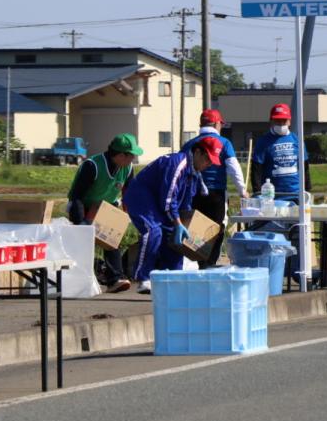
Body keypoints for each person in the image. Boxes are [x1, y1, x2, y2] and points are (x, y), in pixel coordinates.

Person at [122, 136, 221, 293]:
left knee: (175, 238)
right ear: (197, 152)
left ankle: (173, 278)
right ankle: (143, 277)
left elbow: (185, 203)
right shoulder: (177, 164)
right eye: (207, 159)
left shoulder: (194, 174)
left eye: (211, 162)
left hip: (160, 203)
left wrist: (182, 224)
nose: (208, 164)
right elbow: (168, 200)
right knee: (152, 231)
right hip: (141, 196)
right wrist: (177, 222)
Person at [67, 133, 142, 292]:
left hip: (107, 206)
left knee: (112, 240)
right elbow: (76, 196)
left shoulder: (127, 168)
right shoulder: (92, 165)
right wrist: (82, 223)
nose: (133, 160)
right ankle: (84, 277)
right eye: (131, 156)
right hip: (83, 205)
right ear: (121, 155)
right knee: (83, 243)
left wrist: (130, 216)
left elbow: (128, 193)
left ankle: (114, 279)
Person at [183, 109, 248, 267]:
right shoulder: (224, 143)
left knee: (195, 229)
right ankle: (209, 263)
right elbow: (234, 168)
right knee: (215, 229)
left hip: (193, 193)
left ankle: (198, 262)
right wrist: (242, 190)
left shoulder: (190, 144)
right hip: (216, 193)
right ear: (217, 124)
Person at [250, 103, 309, 200]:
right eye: (277, 121)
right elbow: (256, 170)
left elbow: (305, 167)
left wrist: (307, 191)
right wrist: (257, 192)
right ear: (271, 121)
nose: (281, 124)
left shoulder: (297, 140)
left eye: (284, 121)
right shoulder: (263, 142)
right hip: (272, 196)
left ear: (289, 122)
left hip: (296, 195)